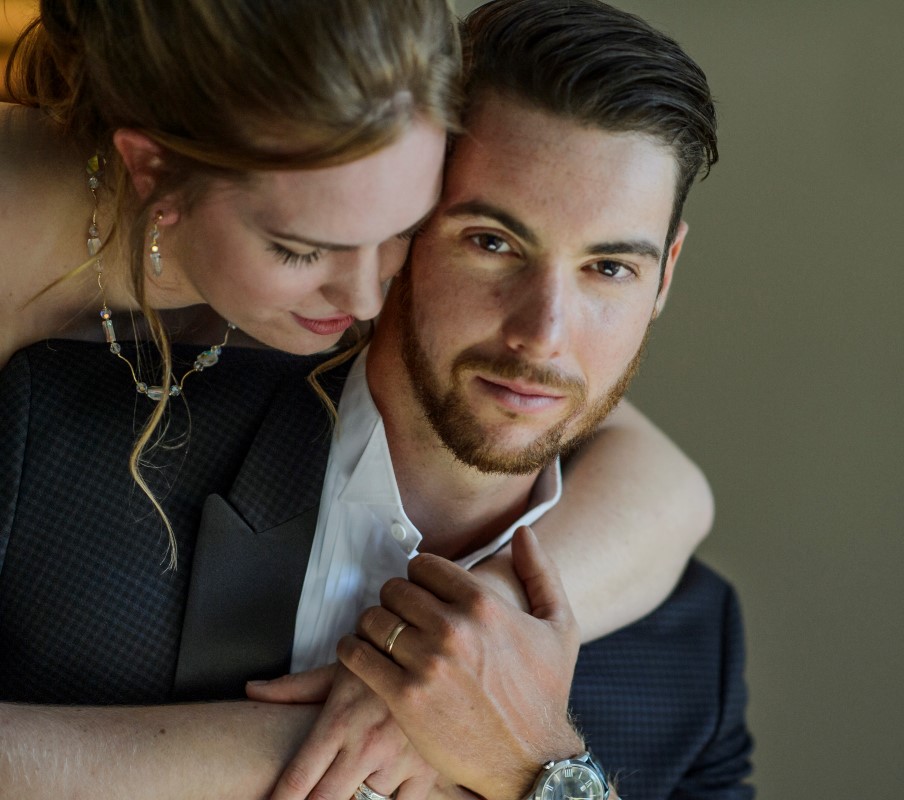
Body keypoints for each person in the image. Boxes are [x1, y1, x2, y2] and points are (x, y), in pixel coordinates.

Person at [0, 0, 728, 798]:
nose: (544, 335)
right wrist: (340, 735)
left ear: (666, 273)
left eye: (610, 267)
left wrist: (547, 771)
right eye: (491, 242)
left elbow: (671, 484)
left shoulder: (692, 652)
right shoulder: (59, 457)